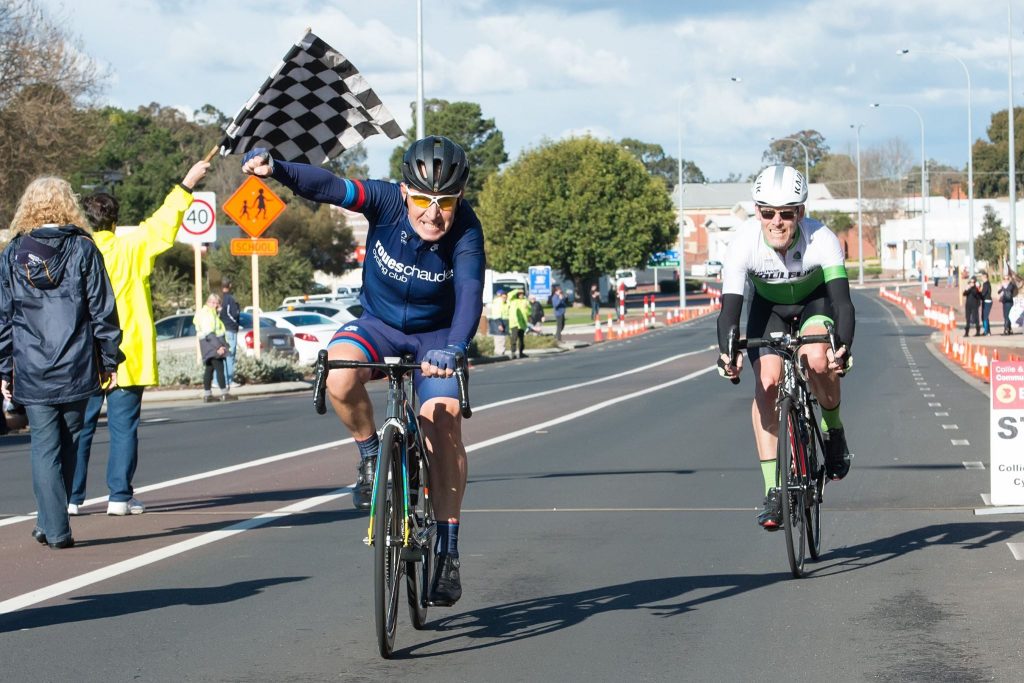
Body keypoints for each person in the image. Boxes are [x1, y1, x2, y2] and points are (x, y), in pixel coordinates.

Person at [241, 135, 484, 607]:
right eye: (422, 200)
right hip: (379, 325)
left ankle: (448, 550)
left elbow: (470, 294)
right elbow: (330, 187)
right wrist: (279, 169)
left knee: (443, 418)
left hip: (436, 338)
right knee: (338, 372)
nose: (433, 214)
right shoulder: (384, 201)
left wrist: (455, 348)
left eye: (446, 202)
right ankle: (372, 455)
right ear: (405, 191)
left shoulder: (467, 231)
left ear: (459, 199)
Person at [716, 165, 855, 531]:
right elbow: (729, 311)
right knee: (767, 382)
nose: (776, 221)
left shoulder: (821, 239)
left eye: (786, 213)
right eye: (767, 213)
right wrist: (728, 353)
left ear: (800, 212)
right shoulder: (743, 243)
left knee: (817, 359)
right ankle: (773, 490)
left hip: (814, 304)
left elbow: (842, 304)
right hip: (768, 310)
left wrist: (842, 346)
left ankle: (833, 429)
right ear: (757, 212)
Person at [71, 160, 210, 516]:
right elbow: (163, 222)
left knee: (80, 427)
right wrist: (188, 182)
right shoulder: (132, 248)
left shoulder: (74, 255)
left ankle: (71, 498)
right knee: (123, 427)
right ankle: (119, 496)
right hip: (127, 353)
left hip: (84, 354)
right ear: (115, 222)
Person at [0, 176, 123, 548]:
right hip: (75, 362)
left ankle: (51, 524)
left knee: (45, 447)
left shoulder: (13, 252)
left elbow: (4, 316)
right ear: (68, 205)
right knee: (69, 443)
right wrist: (110, 359)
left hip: (31, 364)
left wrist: (4, 367)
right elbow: (103, 308)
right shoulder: (84, 249)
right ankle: (55, 527)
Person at [194, 293, 235, 403]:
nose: (216, 305)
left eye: (217, 303)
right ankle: (224, 393)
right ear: (208, 302)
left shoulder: (209, 313)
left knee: (209, 369)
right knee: (219, 368)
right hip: (212, 344)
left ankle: (208, 395)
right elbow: (210, 333)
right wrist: (219, 347)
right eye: (213, 303)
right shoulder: (208, 314)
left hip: (207, 345)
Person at [220, 279, 241, 387]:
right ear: (230, 285)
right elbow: (234, 314)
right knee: (230, 355)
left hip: (221, 330)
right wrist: (235, 323)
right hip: (230, 329)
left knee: (221, 355)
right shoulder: (230, 298)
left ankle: (218, 380)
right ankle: (229, 380)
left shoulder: (218, 298)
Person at [507, 289, 530, 357]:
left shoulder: (526, 301)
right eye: (519, 294)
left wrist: (528, 311)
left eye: (522, 294)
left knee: (521, 339)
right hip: (514, 323)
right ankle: (513, 352)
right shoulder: (513, 301)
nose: (521, 295)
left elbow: (529, 310)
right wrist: (517, 290)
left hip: (522, 323)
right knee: (514, 338)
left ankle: (521, 352)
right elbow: (509, 295)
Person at [488, 289, 508, 357]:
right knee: (500, 338)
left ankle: (499, 352)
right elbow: (497, 314)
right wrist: (499, 324)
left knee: (499, 338)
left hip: (498, 322)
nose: (505, 298)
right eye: (504, 297)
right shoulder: (499, 302)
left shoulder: (497, 301)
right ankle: (500, 353)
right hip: (498, 322)